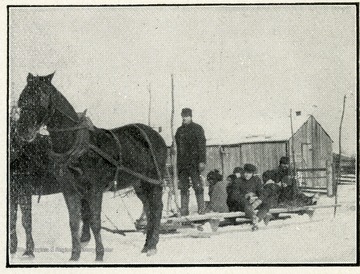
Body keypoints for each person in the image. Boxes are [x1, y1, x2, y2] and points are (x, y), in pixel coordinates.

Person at [175, 108, 206, 215]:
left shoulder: (197, 128)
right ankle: (184, 209)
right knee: (183, 187)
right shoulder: (179, 131)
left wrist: (202, 161)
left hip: (194, 163)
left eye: (186, 116)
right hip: (182, 164)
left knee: (197, 185)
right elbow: (176, 146)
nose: (184, 118)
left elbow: (202, 146)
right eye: (183, 116)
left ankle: (201, 208)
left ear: (191, 117)